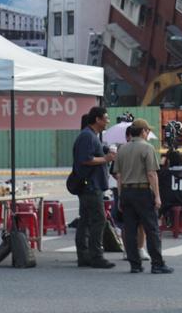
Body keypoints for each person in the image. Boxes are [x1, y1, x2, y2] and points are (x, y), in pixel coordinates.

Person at [114, 119, 172, 274]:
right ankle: (157, 264)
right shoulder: (147, 148)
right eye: (147, 131)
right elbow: (152, 174)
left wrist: (120, 197)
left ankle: (135, 264)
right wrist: (158, 196)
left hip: (126, 192)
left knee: (130, 229)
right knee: (151, 228)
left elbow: (119, 176)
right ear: (143, 131)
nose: (148, 134)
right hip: (142, 191)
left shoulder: (122, 149)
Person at [73, 106, 115, 269]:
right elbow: (86, 159)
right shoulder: (87, 136)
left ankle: (84, 255)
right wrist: (106, 158)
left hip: (91, 185)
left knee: (86, 220)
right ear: (97, 119)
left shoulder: (92, 136)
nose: (107, 121)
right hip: (91, 186)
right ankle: (96, 255)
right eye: (106, 118)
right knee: (98, 220)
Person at [157, 150, 182, 220]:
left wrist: (162, 163)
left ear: (169, 161)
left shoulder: (165, 174)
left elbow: (157, 174)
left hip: (168, 203)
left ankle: (164, 218)